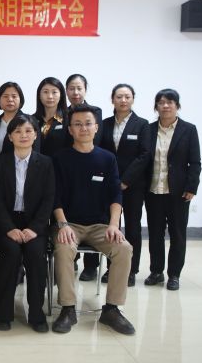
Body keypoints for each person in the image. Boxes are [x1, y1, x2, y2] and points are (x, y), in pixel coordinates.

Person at [51, 104, 135, 335]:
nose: (83, 128)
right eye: (77, 124)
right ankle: (68, 308)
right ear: (70, 129)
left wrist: (114, 225)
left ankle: (112, 309)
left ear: (96, 127)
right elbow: (54, 197)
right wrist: (63, 224)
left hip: (100, 226)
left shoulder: (107, 159)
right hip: (69, 223)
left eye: (88, 123)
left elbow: (116, 195)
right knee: (64, 248)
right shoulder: (60, 158)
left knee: (124, 248)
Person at [0, 115, 54, 332]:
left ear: (36, 135)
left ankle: (36, 313)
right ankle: (4, 313)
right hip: (6, 223)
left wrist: (34, 228)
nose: (23, 135)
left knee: (35, 254)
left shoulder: (45, 163)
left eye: (28, 131)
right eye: (17, 131)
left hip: (34, 224)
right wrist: (9, 228)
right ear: (10, 137)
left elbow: (48, 199)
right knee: (11, 252)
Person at [144, 89, 201, 291]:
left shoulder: (189, 130)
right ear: (156, 106)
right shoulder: (148, 129)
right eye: (161, 102)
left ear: (177, 105)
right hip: (153, 191)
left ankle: (174, 274)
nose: (166, 105)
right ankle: (156, 271)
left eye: (170, 102)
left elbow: (195, 162)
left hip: (178, 192)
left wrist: (192, 187)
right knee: (155, 234)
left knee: (178, 234)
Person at [100, 84, 151, 287]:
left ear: (133, 99)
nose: (123, 100)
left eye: (127, 97)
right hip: (108, 184)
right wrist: (112, 180)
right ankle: (112, 267)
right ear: (112, 99)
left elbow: (145, 155)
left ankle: (130, 270)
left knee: (132, 227)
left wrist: (125, 181)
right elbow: (99, 152)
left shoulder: (142, 124)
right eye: (119, 96)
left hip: (133, 185)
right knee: (111, 226)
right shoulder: (104, 124)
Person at [65, 73, 103, 280]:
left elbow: (97, 140)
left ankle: (91, 266)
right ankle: (71, 260)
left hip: (92, 165)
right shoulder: (63, 113)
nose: (75, 92)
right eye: (71, 88)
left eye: (79, 88)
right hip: (69, 165)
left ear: (85, 90)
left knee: (92, 215)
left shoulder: (94, 112)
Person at [0, 81, 39, 173]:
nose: (10, 99)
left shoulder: (29, 121)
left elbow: (36, 150)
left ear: (20, 99)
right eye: (5, 96)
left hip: (22, 172)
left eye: (14, 96)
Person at [33, 77, 69, 158]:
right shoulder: (32, 120)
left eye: (54, 92)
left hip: (61, 164)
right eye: (45, 92)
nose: (50, 96)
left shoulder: (69, 119)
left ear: (61, 95)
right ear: (39, 95)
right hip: (37, 164)